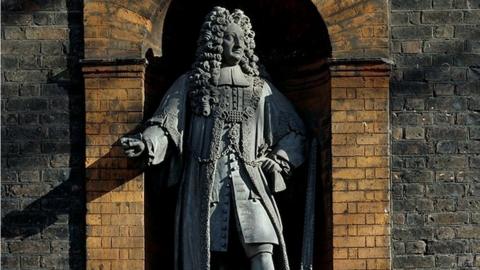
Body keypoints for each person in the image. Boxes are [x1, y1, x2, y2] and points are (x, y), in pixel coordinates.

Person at [121, 7, 305, 270]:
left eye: (242, 38)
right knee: (206, 254)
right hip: (203, 183)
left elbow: (294, 131)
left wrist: (279, 159)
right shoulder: (192, 84)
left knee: (264, 249)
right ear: (216, 41)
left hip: (251, 183)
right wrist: (146, 143)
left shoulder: (261, 89)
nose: (239, 44)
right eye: (231, 37)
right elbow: (166, 124)